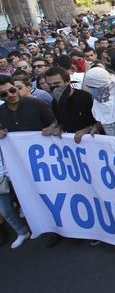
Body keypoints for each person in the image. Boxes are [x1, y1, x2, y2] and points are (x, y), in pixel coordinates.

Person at [0, 74, 55, 248]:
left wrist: (51, 128)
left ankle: (60, 229)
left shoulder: (35, 103)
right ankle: (46, 226)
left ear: (17, 88)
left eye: (12, 90)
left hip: (47, 161)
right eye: (4, 94)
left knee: (53, 193)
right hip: (22, 166)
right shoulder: (1, 112)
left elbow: (55, 121)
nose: (10, 95)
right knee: (33, 197)